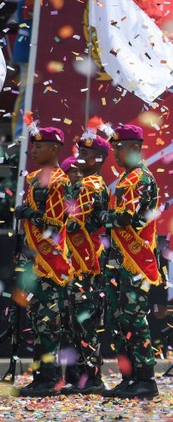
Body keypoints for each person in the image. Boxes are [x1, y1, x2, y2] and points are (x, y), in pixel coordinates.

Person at [101, 124, 162, 399]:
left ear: (135, 148)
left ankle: (145, 379)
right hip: (119, 259)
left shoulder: (141, 179)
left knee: (134, 320)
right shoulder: (126, 177)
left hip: (135, 259)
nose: (115, 152)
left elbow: (127, 218)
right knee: (117, 320)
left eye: (120, 146)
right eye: (114, 146)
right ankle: (129, 377)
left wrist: (101, 215)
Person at [14, 114, 72, 397]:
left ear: (53, 148)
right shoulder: (36, 178)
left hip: (52, 262)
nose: (33, 150)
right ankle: (40, 376)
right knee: (37, 322)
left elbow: (58, 224)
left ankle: (50, 379)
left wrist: (32, 214)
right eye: (33, 146)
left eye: (39, 146)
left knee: (50, 323)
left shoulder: (60, 181)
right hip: (35, 261)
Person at [61, 119, 112, 395]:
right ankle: (75, 375)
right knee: (73, 321)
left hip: (88, 262)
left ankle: (91, 377)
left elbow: (71, 221)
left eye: (85, 154)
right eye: (79, 152)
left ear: (99, 159)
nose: (79, 157)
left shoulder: (92, 186)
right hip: (75, 262)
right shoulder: (82, 184)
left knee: (85, 321)